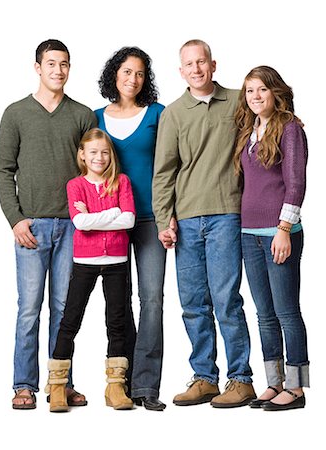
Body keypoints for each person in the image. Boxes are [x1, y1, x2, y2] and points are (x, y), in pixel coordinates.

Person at [153, 39, 256, 408]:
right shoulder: (174, 114)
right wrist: (165, 219)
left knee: (227, 299)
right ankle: (204, 378)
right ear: (181, 71)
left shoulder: (238, 102)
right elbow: (163, 172)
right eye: (189, 65)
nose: (196, 69)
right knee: (193, 302)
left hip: (227, 213)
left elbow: (266, 119)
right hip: (187, 221)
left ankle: (241, 379)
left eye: (201, 62)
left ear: (213, 65)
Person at [0, 39, 97, 409]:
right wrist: (15, 219)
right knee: (29, 308)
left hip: (74, 226)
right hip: (32, 226)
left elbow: (94, 168)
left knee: (64, 307)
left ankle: (61, 383)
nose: (58, 70)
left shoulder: (83, 114)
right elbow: (3, 170)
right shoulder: (16, 113)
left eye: (64, 64)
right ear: (38, 67)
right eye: (51, 63)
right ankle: (24, 384)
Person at [95, 47, 167, 411]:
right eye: (126, 71)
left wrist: (172, 213)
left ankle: (147, 385)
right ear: (114, 74)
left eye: (139, 73)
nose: (132, 79)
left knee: (152, 299)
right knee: (118, 300)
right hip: (111, 221)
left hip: (153, 218)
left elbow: (174, 164)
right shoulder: (95, 118)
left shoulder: (158, 114)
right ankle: (120, 380)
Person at [234, 66, 309, 411]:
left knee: (286, 311)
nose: (256, 97)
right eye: (250, 91)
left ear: (275, 91)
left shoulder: (289, 128)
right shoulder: (249, 130)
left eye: (262, 89)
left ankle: (295, 388)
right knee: (264, 313)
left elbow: (295, 183)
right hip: (249, 234)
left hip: (279, 234)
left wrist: (283, 229)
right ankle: (274, 382)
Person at [46, 128, 136, 412]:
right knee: (70, 319)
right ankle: (58, 385)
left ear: (111, 156)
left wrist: (96, 217)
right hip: (85, 261)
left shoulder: (121, 181)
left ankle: (115, 385)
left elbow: (129, 220)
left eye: (105, 152)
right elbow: (80, 223)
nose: (100, 157)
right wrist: (112, 214)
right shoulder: (75, 185)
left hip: (117, 261)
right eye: (93, 152)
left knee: (117, 322)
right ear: (82, 156)